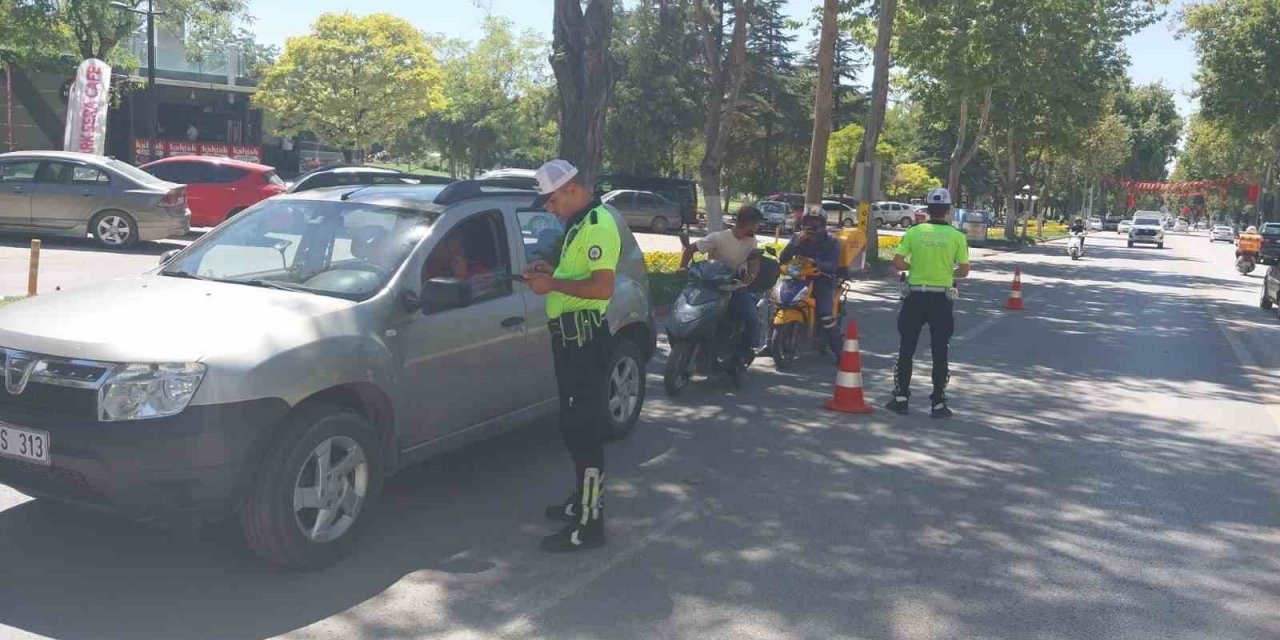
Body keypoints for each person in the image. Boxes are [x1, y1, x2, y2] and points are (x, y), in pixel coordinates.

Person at [522, 159, 621, 553]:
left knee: (584, 431)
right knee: (572, 425)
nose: (548, 207)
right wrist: (553, 270)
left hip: (583, 341)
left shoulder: (599, 224)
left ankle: (589, 523)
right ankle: (581, 501)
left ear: (569, 189)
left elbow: (601, 289)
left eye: (550, 199)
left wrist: (553, 283)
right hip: (569, 340)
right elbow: (580, 275)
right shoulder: (579, 224)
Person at [887, 187, 970, 419]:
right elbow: (963, 271)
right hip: (941, 300)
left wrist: (916, 268)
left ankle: (901, 398)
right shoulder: (957, 236)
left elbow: (898, 262)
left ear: (928, 209)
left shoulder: (914, 232)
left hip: (914, 297)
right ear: (947, 210)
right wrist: (945, 270)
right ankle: (938, 404)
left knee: (906, 348)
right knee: (940, 351)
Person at [678, 204, 764, 365]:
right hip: (710, 286)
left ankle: (743, 352)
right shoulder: (718, 237)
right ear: (749, 224)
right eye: (757, 224)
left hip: (734, 287)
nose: (758, 227)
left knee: (751, 318)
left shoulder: (751, 241)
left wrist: (749, 278)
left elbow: (754, 262)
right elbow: (690, 249)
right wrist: (682, 267)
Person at [778, 210, 844, 363]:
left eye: (816, 222)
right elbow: (783, 258)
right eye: (808, 222)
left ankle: (839, 352)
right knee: (779, 304)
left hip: (822, 280)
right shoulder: (797, 237)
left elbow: (833, 265)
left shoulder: (831, 241)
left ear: (823, 223)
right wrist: (796, 243)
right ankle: (770, 344)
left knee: (825, 314)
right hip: (798, 278)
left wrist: (817, 263)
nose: (812, 226)